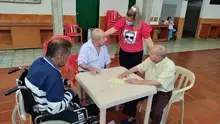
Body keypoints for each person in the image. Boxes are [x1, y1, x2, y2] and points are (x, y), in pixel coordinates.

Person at [25, 35, 98, 123]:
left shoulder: (39, 62)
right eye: (68, 55)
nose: (68, 59)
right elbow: (54, 109)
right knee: (90, 110)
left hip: (37, 102)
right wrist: (71, 92)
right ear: (60, 56)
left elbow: (44, 81)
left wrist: (64, 81)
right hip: (49, 112)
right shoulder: (53, 75)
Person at [119, 45, 175, 124]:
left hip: (162, 91)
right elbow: (139, 67)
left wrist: (137, 81)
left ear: (158, 58)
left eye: (151, 53)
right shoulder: (151, 60)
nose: (149, 54)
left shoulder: (169, 66)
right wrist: (127, 72)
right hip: (148, 86)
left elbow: (158, 82)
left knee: (156, 112)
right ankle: (132, 117)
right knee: (131, 97)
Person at [104, 5, 154, 70]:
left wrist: (153, 51)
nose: (127, 21)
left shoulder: (142, 25)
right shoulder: (123, 21)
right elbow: (113, 29)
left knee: (132, 71)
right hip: (123, 52)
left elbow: (148, 40)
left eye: (129, 21)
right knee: (123, 69)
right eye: (126, 18)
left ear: (135, 20)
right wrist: (102, 35)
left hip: (136, 53)